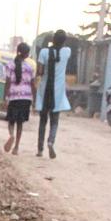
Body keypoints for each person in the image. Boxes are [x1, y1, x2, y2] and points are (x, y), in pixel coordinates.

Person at [35, 30, 72, 158]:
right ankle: (51, 141)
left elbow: (39, 71)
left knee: (42, 121)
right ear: (64, 41)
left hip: (44, 91)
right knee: (54, 121)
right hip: (58, 93)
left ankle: (40, 149)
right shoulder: (67, 52)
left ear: (53, 39)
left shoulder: (44, 52)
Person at [3, 43, 36, 155]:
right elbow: (33, 84)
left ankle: (11, 135)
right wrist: (34, 100)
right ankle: (16, 147)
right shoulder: (30, 68)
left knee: (11, 121)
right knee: (20, 123)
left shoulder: (10, 65)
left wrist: (5, 97)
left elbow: (7, 83)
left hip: (13, 97)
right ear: (27, 54)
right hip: (26, 98)